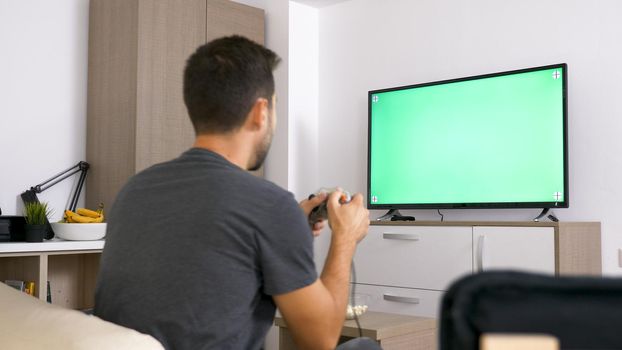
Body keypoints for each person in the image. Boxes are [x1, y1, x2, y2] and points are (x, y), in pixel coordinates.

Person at [94, 35, 370, 350]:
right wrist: (345, 237)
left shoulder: (134, 190)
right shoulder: (269, 205)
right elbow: (320, 340)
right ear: (260, 112)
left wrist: (289, 227)